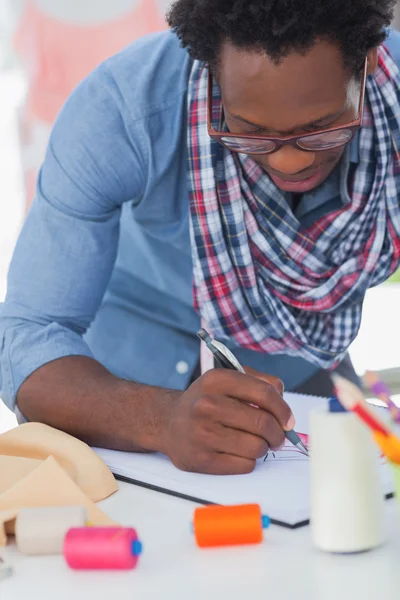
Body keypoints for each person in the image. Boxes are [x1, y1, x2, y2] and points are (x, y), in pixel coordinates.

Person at [1, 0, 399, 475]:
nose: (290, 163)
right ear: (211, 70)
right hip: (120, 375)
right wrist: (160, 419)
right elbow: (26, 332)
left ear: (369, 63)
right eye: (250, 133)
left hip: (297, 367)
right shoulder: (124, 110)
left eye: (320, 131)